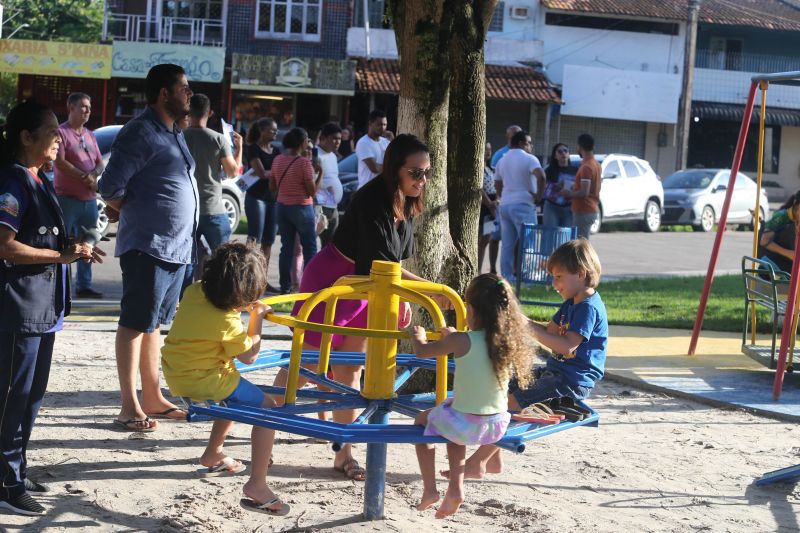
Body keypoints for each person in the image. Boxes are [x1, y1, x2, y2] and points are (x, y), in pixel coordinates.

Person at [273, 134, 448, 480]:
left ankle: (343, 452)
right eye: (416, 172)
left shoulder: (408, 202)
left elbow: (392, 265)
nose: (422, 180)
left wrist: (416, 294)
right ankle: (263, 423)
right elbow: (379, 265)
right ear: (395, 168)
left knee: (350, 369)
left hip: (370, 289)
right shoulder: (372, 200)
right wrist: (426, 290)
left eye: (427, 173)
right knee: (306, 362)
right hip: (335, 281)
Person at [0, 100, 102, 515]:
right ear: (26, 137)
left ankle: (15, 470)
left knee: (31, 396)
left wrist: (72, 249)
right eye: (49, 130)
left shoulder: (39, 180)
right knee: (13, 396)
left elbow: (40, 240)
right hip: (19, 309)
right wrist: (60, 258)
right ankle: (7, 480)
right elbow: (5, 245)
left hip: (43, 311)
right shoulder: (13, 182)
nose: (59, 137)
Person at [452, 239, 607, 480]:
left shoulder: (588, 307)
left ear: (580, 274)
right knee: (502, 388)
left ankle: (479, 461)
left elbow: (567, 347)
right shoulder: (571, 303)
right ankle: (495, 459)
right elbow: (550, 331)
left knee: (512, 403)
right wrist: (518, 319)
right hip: (554, 374)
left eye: (558, 277)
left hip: (571, 383)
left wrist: (528, 328)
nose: (554, 284)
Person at [99, 63, 198, 431]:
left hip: (175, 247)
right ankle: (129, 406)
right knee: (135, 322)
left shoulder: (174, 132)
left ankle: (153, 397)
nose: (189, 94)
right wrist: (131, 210)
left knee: (154, 323)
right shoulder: (140, 132)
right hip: (148, 246)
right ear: (163, 94)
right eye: (184, 88)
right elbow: (109, 186)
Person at [161, 242, 289, 516]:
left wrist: (238, 308)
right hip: (204, 380)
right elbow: (250, 355)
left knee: (233, 388)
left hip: (177, 372)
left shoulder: (194, 291)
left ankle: (213, 454)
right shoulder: (227, 322)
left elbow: (207, 325)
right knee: (268, 410)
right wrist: (256, 318)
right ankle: (257, 485)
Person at [408, 274, 533, 518]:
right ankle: (492, 462)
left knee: (425, 422)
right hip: (497, 426)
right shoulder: (507, 342)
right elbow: (472, 346)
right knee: (460, 417)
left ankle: (435, 489)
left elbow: (422, 352)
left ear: (472, 310)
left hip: (466, 426)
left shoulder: (460, 340)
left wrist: (417, 336)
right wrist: (455, 336)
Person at [182, 93, 242, 289]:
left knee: (186, 260)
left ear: (189, 111)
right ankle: (220, 298)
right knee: (222, 259)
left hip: (186, 209)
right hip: (213, 208)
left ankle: (182, 302)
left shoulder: (179, 137)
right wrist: (239, 149)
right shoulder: (218, 139)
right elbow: (233, 172)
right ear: (210, 113)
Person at [54, 92, 105, 299]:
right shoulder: (61, 132)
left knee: (88, 242)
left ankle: (84, 286)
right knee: (63, 243)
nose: (87, 111)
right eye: (83, 106)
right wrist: (84, 176)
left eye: (89, 107)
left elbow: (100, 163)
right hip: (67, 199)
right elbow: (60, 162)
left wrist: (93, 174)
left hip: (89, 200)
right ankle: (58, 283)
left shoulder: (90, 135)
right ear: (71, 107)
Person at [272, 127, 322, 294]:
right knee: (310, 248)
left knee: (286, 248)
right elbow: (312, 191)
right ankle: (309, 288)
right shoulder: (304, 163)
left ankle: (284, 287)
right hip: (301, 207)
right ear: (302, 142)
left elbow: (272, 186)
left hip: (282, 207)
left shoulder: (277, 160)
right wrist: (320, 173)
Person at [495, 129, 545, 281]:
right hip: (524, 204)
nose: (531, 146)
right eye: (529, 143)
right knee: (528, 242)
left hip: (505, 205)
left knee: (507, 245)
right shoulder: (530, 159)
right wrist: (538, 196)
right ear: (522, 143)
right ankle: (528, 276)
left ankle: (506, 277)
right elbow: (541, 176)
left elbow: (497, 182)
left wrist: (502, 195)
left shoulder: (502, 160)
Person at [244, 118, 281, 293]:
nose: (276, 133)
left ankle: (262, 281)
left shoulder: (277, 151)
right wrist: (278, 172)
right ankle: (247, 278)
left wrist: (274, 173)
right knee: (254, 240)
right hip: (256, 198)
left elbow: (271, 173)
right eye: (273, 130)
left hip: (273, 199)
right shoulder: (253, 149)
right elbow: (260, 173)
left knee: (268, 241)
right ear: (263, 130)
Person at [562, 134, 601, 239]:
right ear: (593, 147)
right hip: (590, 208)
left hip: (584, 210)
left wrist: (569, 194)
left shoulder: (587, 167)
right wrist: (573, 186)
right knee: (581, 243)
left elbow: (584, 192)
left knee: (580, 245)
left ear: (580, 147)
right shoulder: (595, 164)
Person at [759, 191, 800, 275]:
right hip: (773, 265)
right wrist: (788, 253)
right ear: (796, 206)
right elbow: (763, 240)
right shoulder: (782, 216)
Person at [315, 122, 343, 247]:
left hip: (333, 207)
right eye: (334, 138)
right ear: (323, 138)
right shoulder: (315, 155)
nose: (337, 142)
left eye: (339, 139)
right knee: (311, 244)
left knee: (330, 246)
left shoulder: (332, 155)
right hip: (321, 207)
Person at [542, 143, 577, 228]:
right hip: (552, 207)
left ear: (569, 154)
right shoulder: (549, 170)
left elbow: (580, 188)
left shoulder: (575, 170)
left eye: (565, 151)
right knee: (551, 233)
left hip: (569, 207)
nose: (563, 153)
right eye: (560, 151)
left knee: (567, 236)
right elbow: (543, 189)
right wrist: (556, 186)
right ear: (555, 156)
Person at [478, 142, 500, 274]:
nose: (488, 152)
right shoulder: (478, 169)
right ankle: (478, 270)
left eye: (490, 150)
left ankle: (486, 269)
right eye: (485, 149)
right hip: (483, 207)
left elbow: (497, 185)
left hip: (492, 209)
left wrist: (496, 201)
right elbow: (479, 189)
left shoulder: (491, 169)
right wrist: (488, 203)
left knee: (487, 238)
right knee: (480, 240)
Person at [355, 109, 389, 189]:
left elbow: (396, 160)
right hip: (366, 190)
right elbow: (375, 168)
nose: (382, 128)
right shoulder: (363, 142)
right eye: (379, 125)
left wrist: (393, 142)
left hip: (382, 189)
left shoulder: (386, 142)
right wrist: (392, 168)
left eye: (385, 125)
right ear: (370, 124)